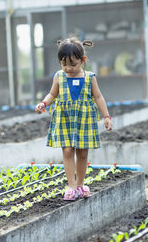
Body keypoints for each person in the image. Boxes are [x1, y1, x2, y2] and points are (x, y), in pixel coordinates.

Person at [35, 37, 112, 200]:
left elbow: (98, 97)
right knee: (68, 150)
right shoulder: (59, 77)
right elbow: (52, 94)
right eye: (64, 64)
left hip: (84, 119)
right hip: (64, 119)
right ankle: (71, 186)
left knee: (82, 152)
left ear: (83, 61)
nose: (68, 68)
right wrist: (44, 103)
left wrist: (106, 116)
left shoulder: (90, 78)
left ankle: (80, 184)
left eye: (73, 64)